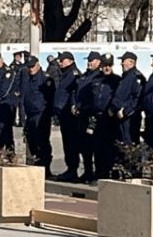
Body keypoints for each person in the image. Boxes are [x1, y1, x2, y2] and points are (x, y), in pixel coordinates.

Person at [20, 55, 55, 177]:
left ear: (38, 65)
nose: (31, 69)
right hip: (30, 115)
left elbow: (50, 99)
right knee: (32, 142)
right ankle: (36, 166)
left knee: (43, 142)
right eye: (29, 67)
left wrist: (49, 115)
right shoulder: (28, 78)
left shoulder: (45, 79)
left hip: (41, 115)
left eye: (33, 66)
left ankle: (46, 168)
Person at [72, 51, 102, 183]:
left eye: (92, 60)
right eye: (88, 60)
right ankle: (88, 172)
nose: (89, 63)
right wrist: (74, 105)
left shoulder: (99, 77)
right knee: (84, 146)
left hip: (92, 115)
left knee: (94, 145)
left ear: (98, 62)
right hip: (81, 115)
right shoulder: (84, 76)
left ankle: (97, 173)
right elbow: (75, 92)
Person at [91, 53, 121, 180]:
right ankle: (99, 173)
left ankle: (110, 173)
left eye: (109, 65)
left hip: (110, 119)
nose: (107, 68)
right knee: (97, 148)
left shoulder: (117, 80)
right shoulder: (95, 80)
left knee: (109, 148)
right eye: (105, 65)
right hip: (97, 118)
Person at [52, 51, 81, 182]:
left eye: (62, 60)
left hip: (70, 116)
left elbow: (73, 93)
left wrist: (70, 107)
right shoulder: (66, 74)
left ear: (69, 61)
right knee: (67, 144)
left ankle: (72, 170)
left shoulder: (73, 74)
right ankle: (70, 169)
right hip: (64, 115)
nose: (59, 62)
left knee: (72, 144)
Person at [10, 50, 27, 127]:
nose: (18, 58)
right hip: (15, 88)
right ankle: (12, 120)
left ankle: (22, 121)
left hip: (22, 88)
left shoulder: (22, 66)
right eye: (17, 57)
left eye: (19, 57)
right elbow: (14, 78)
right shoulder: (12, 66)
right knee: (14, 105)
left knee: (21, 105)